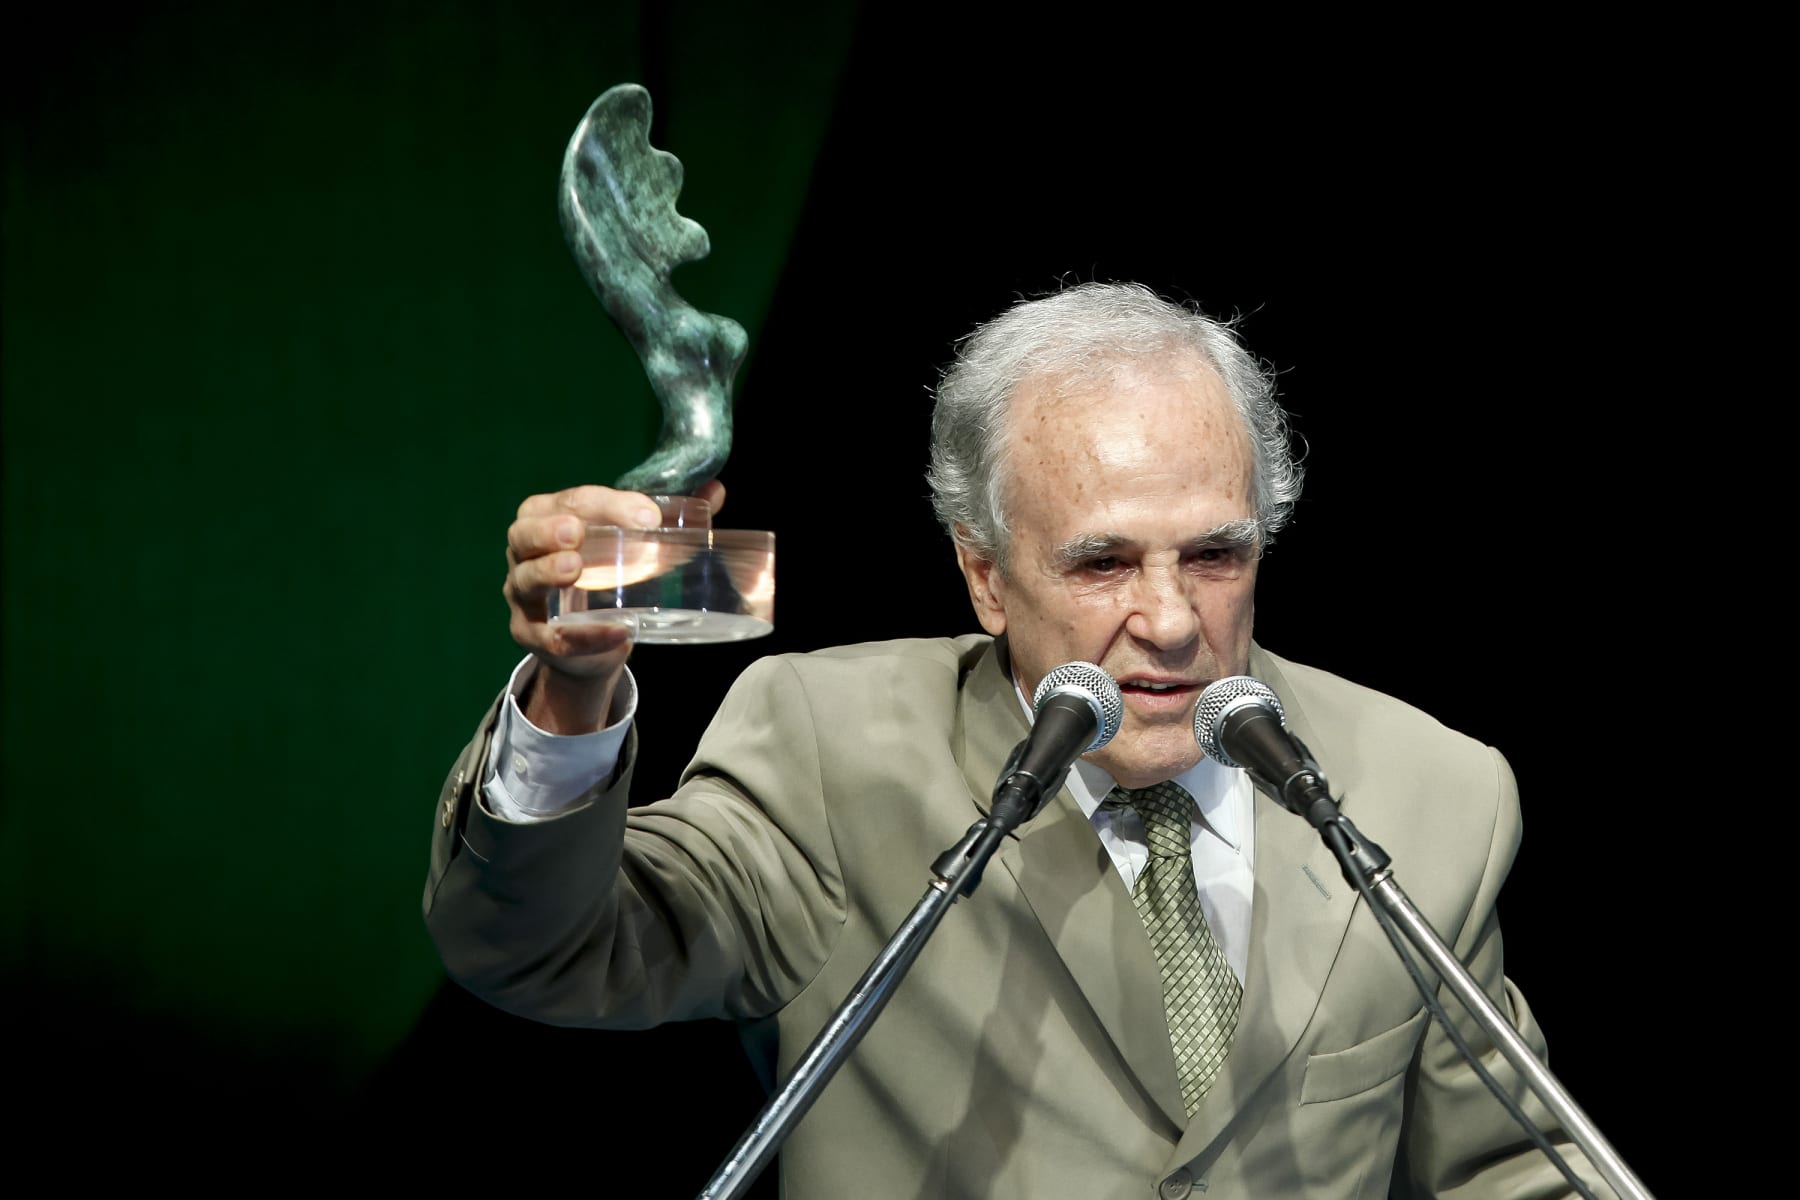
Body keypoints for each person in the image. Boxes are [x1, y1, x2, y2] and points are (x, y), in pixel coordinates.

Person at [424, 282, 1614, 1198]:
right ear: (985, 576)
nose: (1170, 619)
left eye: (1215, 554)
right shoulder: (836, 751)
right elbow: (541, 949)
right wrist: (572, 688)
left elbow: (1506, 1168)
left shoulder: (1429, 789)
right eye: (1102, 563)